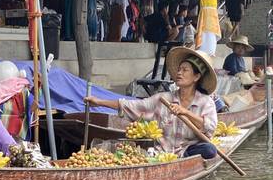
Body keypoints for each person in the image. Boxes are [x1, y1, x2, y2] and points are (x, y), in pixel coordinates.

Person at [85, 47, 218, 159]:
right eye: (179, 69)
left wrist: (186, 112)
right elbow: (131, 105)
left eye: (185, 70)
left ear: (196, 76)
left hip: (187, 153)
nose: (179, 73)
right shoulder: (163, 99)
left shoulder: (206, 103)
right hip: (161, 154)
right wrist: (99, 102)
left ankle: (184, 160)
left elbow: (210, 127)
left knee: (210, 150)